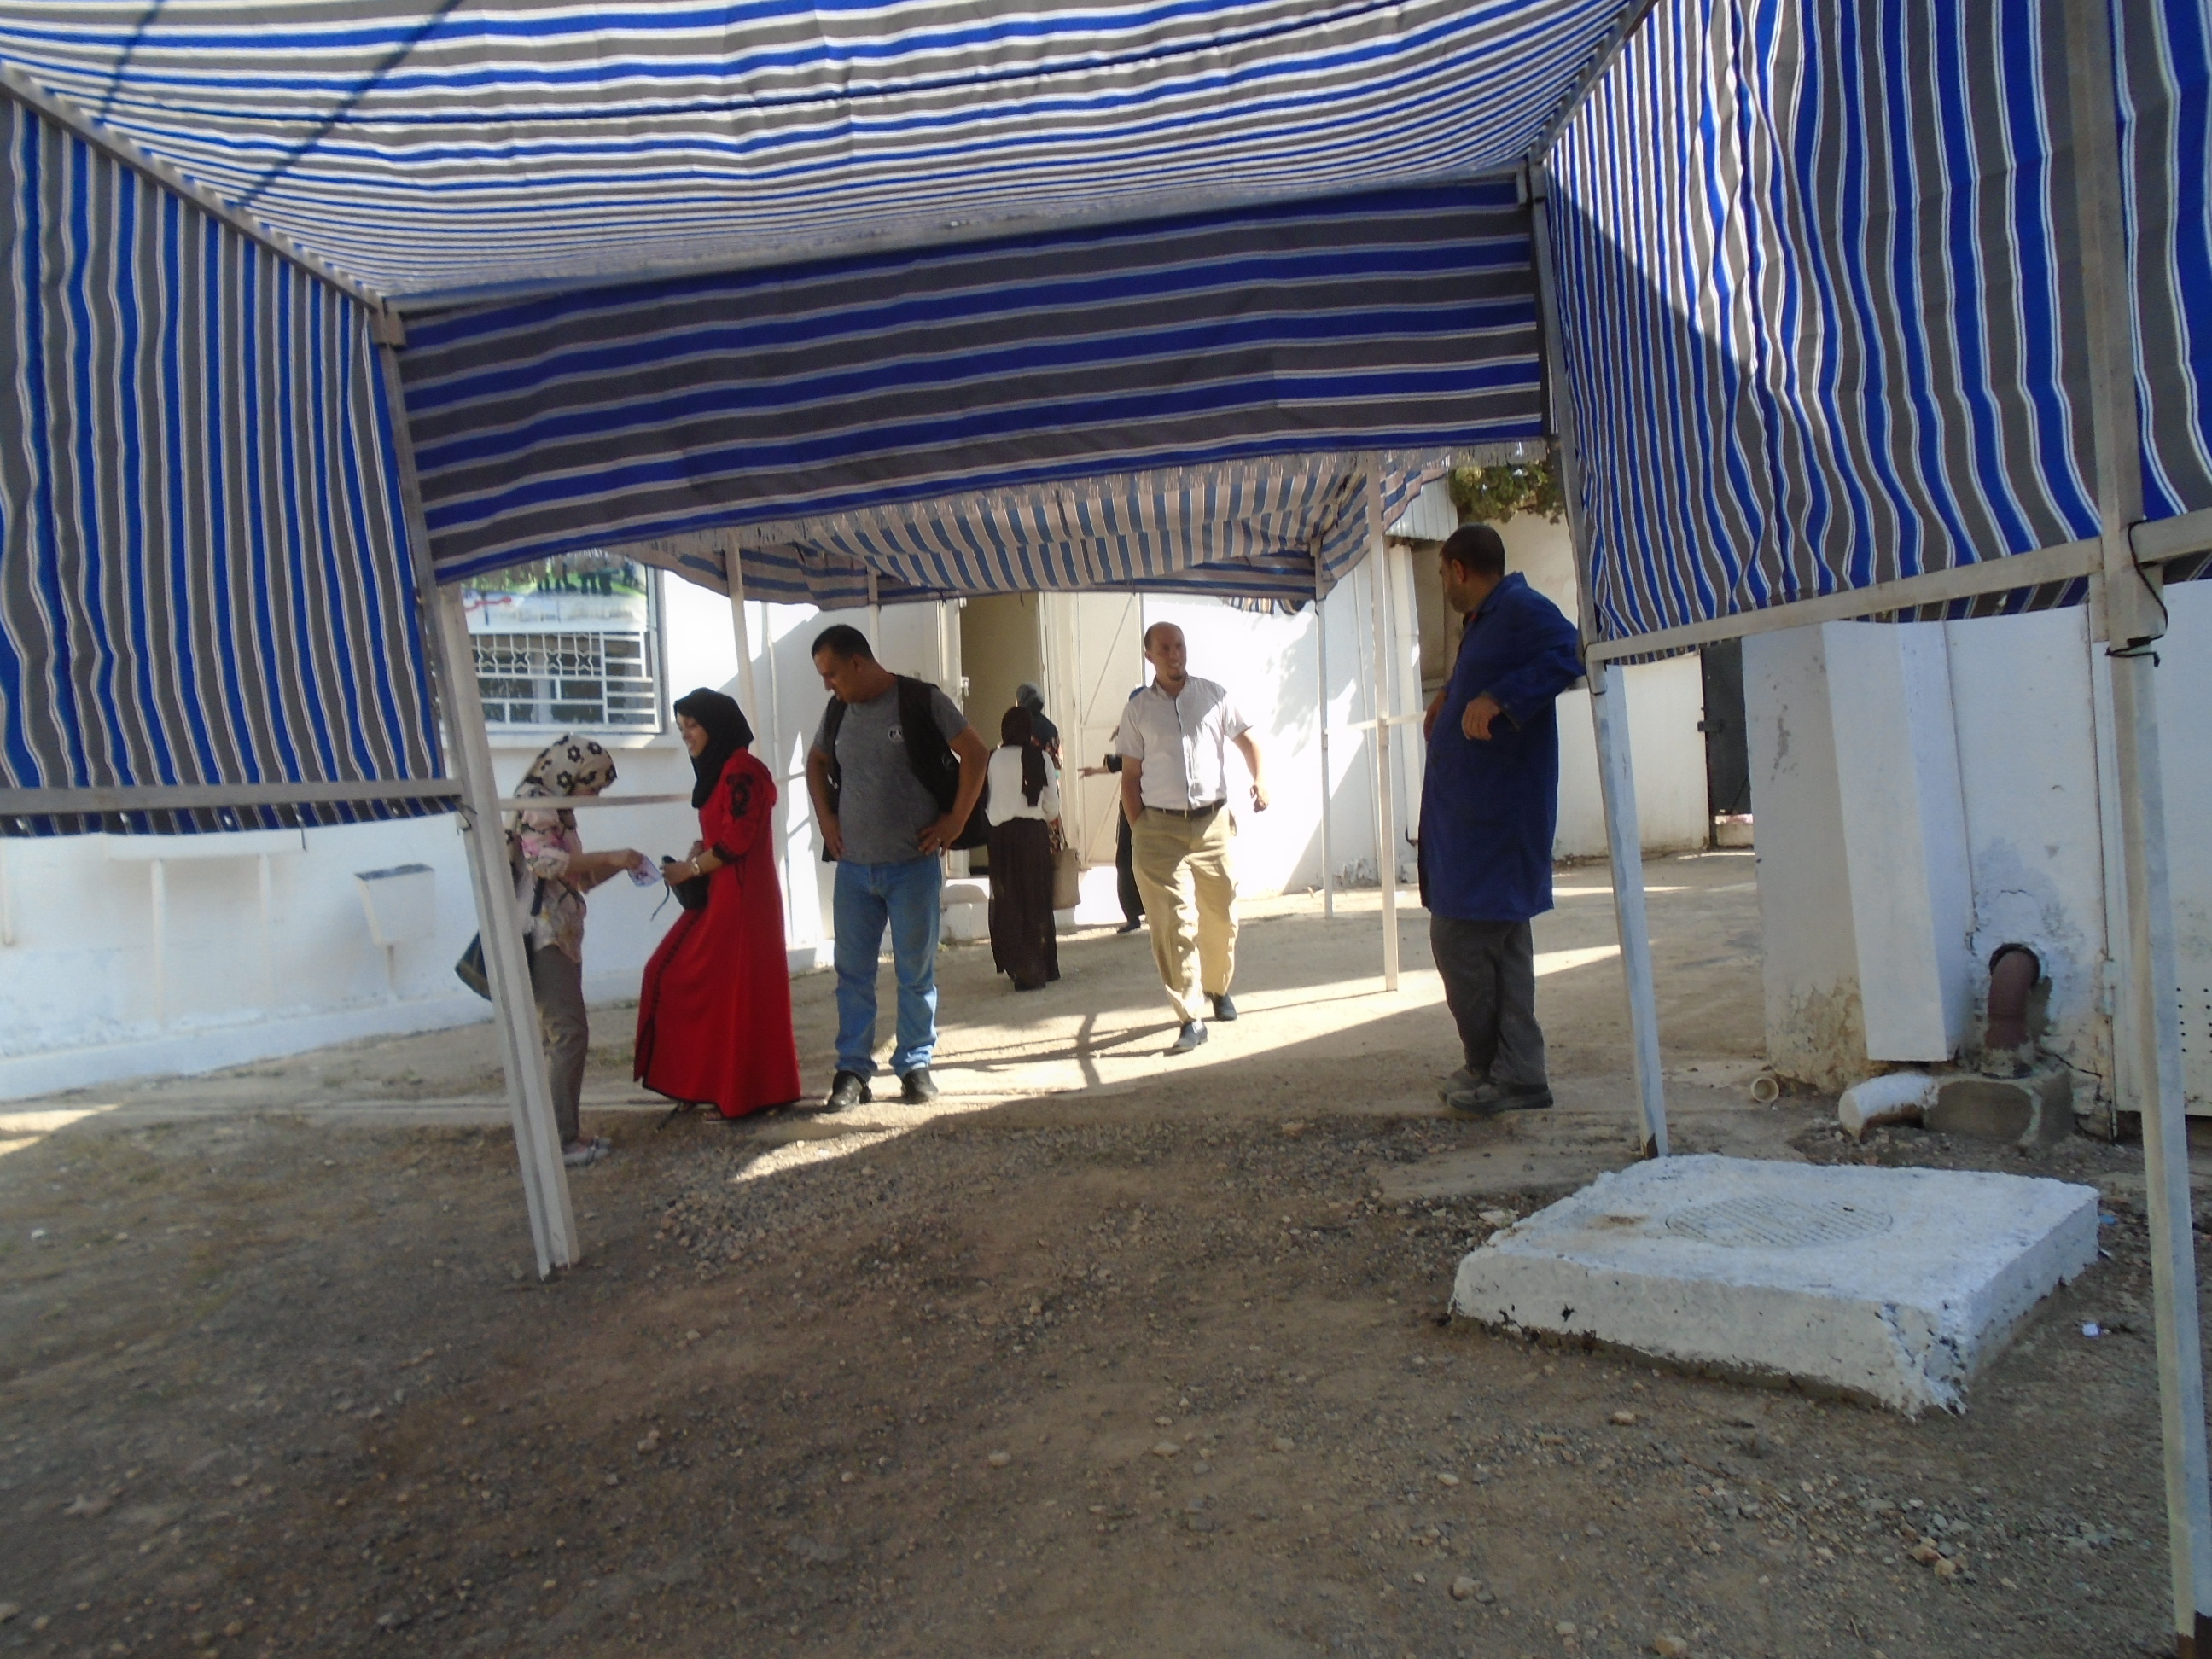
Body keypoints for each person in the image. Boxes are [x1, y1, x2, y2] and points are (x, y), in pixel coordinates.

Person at [1419, 522, 1584, 1115]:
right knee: (1504, 948)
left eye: (1442, 573)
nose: (1443, 584)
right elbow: (1486, 674)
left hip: (1496, 823)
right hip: (1476, 821)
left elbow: (1573, 651)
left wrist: (1502, 699)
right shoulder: (1487, 619)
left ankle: (1492, 1063)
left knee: (1458, 939)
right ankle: (1516, 1073)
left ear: (1460, 569)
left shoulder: (1518, 608)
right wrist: (1452, 695)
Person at [806, 624, 989, 1109]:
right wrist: (827, 821)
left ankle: (914, 1065)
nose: (827, 684)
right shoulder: (838, 710)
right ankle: (852, 1071)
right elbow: (816, 762)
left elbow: (975, 752)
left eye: (832, 674)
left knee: (915, 973)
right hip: (854, 871)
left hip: (912, 866)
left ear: (858, 663)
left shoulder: (920, 701)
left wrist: (956, 821)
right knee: (853, 975)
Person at [634, 688, 803, 1118]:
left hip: (742, 900)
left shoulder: (741, 770)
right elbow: (726, 834)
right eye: (681, 728)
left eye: (693, 725)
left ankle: (744, 1094)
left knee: (722, 989)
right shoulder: (725, 770)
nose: (686, 735)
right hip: (727, 895)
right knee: (713, 988)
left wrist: (689, 870)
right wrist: (700, 849)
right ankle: (722, 1087)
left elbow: (738, 840)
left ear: (716, 725)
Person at [1113, 621, 1268, 1054]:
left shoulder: (1213, 696)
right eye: (1164, 648)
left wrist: (1261, 779)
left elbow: (1249, 743)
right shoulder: (1138, 711)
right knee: (1173, 923)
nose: (1174, 653)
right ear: (1149, 656)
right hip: (1159, 830)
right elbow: (1130, 778)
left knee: (1221, 915)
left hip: (1213, 823)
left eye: (1179, 645)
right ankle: (1190, 1017)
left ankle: (1218, 987)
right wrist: (1141, 828)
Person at [509, 736, 652, 1167]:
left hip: (562, 935)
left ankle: (557, 1136)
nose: (594, 796)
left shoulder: (558, 810)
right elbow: (545, 863)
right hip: (542, 935)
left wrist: (622, 864)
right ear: (574, 774)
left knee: (560, 1037)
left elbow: (577, 879)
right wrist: (610, 855)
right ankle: (560, 1141)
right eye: (593, 786)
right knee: (568, 1035)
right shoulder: (537, 804)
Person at [985, 706, 1063, 991]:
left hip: (1001, 837)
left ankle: (1017, 966)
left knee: (1008, 899)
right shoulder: (1039, 757)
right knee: (1035, 898)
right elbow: (1051, 806)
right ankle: (1041, 965)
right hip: (1032, 836)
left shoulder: (992, 759)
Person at [1078, 684, 1149, 933]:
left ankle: (1145, 912)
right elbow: (1120, 763)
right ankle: (1137, 913)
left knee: (1139, 858)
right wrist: (1094, 770)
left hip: (1148, 804)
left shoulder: (1152, 732)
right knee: (1130, 858)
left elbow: (1122, 762)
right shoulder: (1136, 732)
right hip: (1140, 804)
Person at [1014, 683, 1061, 763]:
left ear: (1020, 702)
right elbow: (1058, 759)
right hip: (1050, 770)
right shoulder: (1051, 726)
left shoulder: (1020, 727)